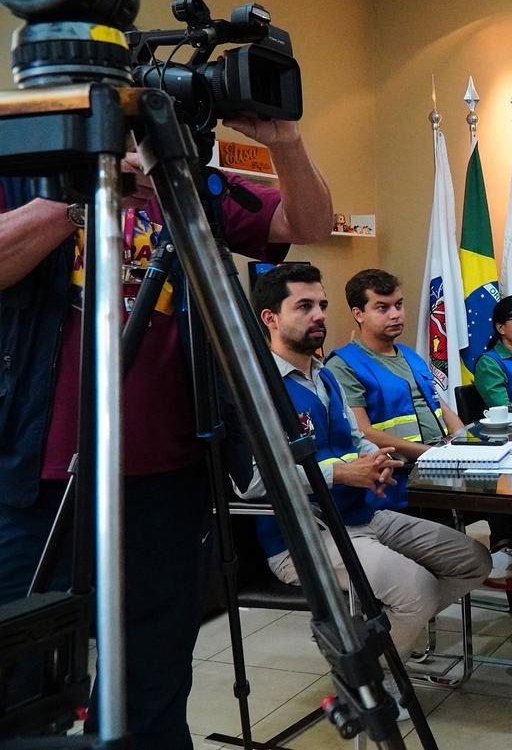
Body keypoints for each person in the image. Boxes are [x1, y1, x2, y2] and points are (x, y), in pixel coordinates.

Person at [0, 116, 332, 749]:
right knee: (16, 671)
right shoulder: (23, 172)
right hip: (36, 478)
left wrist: (286, 140)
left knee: (153, 670)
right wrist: (81, 193)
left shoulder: (185, 183)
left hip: (167, 477)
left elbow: (308, 224)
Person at [245, 264, 492, 692]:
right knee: (416, 590)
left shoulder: (323, 378)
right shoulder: (256, 386)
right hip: (304, 536)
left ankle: (371, 645)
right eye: (303, 306)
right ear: (271, 318)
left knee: (473, 560)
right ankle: (366, 685)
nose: (319, 314)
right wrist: (340, 471)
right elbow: (249, 480)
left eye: (321, 305)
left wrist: (373, 458)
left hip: (363, 516)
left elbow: (357, 436)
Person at [324, 270, 512, 657]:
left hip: (438, 460)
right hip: (401, 473)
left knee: (507, 470)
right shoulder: (345, 364)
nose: (395, 315)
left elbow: (442, 408)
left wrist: (466, 441)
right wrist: (431, 453)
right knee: (501, 489)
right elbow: (363, 432)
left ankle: (509, 559)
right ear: (358, 313)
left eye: (399, 305)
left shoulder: (409, 355)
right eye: (381, 308)